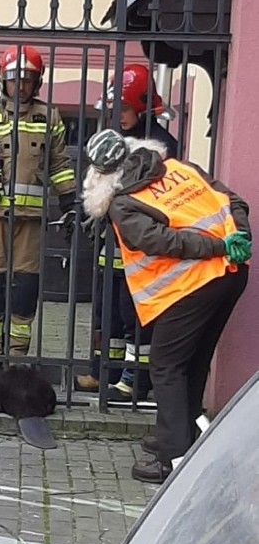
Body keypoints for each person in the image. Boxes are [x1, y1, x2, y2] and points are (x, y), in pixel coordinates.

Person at [83, 129, 250, 484]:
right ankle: (185, 432)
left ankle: (175, 460)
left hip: (189, 286)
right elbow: (232, 199)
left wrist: (220, 246)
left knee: (165, 366)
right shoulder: (179, 167)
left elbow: (158, 240)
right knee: (193, 361)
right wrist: (238, 237)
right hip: (231, 275)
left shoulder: (122, 202)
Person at [0, 45, 76, 377]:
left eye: (26, 80)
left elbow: (60, 164)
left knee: (25, 289)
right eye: (13, 80)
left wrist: (70, 202)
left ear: (37, 82)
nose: (19, 86)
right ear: (1, 80)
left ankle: (18, 354)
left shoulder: (49, 117)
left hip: (31, 221)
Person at [76, 63, 179, 401]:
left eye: (125, 109)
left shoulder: (161, 146)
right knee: (108, 313)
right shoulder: (116, 140)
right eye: (114, 109)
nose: (118, 116)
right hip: (113, 243)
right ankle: (105, 371)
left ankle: (136, 380)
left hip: (139, 247)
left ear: (142, 106)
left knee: (135, 315)